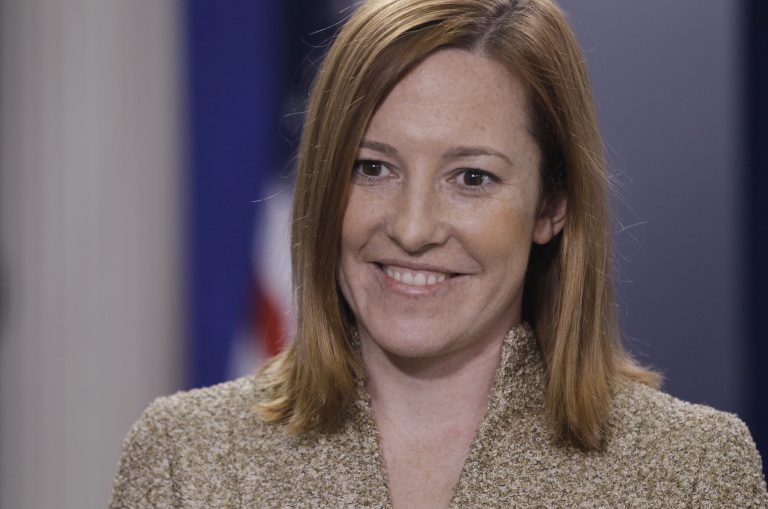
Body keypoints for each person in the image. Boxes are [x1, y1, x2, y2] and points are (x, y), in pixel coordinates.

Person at [110, 0, 768, 507]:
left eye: (472, 177)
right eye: (372, 167)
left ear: (552, 206)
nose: (413, 226)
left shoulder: (690, 473)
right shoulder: (183, 460)